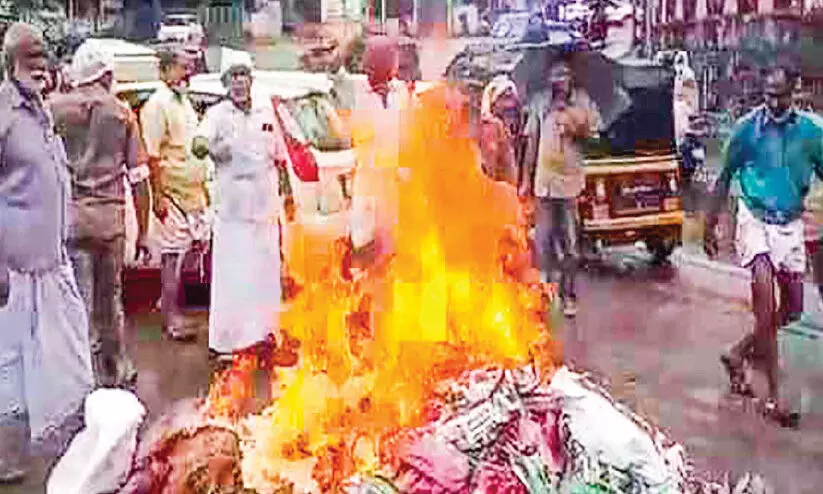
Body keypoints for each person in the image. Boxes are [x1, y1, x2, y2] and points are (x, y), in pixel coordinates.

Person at [0, 22, 94, 482]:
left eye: (44, 56)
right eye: (31, 57)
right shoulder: (2, 112)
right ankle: (7, 459)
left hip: (51, 260)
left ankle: (76, 441)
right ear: (11, 62)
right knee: (8, 366)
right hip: (13, 268)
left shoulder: (41, 109)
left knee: (72, 352)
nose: (41, 65)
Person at [705, 64, 823, 427]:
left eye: (781, 95)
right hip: (754, 221)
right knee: (766, 308)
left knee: (791, 310)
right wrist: (709, 226)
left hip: (789, 226)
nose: (774, 102)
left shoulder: (810, 132)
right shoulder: (746, 131)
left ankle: (737, 352)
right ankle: (774, 398)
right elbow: (723, 177)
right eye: (769, 95)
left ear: (795, 91)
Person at [50, 41, 151, 389]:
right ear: (107, 75)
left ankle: (83, 374)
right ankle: (117, 364)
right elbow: (139, 178)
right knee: (110, 298)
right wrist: (145, 232)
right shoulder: (122, 114)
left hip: (70, 220)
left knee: (77, 302)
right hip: (110, 220)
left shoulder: (53, 110)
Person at [192, 52, 296, 366]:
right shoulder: (217, 115)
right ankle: (227, 342)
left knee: (265, 275)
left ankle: (264, 336)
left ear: (251, 79)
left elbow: (280, 158)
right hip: (233, 210)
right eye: (232, 76)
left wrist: (288, 196)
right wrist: (212, 149)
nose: (238, 82)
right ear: (225, 83)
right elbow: (197, 144)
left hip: (264, 207)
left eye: (243, 75)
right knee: (233, 275)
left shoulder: (266, 111)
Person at [519, 57, 601, 318]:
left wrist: (573, 121)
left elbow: (594, 135)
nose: (560, 81)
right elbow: (531, 143)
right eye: (555, 76)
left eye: (564, 75)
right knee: (542, 243)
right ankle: (542, 294)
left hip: (569, 186)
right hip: (544, 183)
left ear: (571, 79)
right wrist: (525, 179)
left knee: (570, 246)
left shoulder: (582, 102)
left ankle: (569, 295)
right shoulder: (540, 103)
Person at [140, 48, 211, 342]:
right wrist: (156, 197)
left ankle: (168, 305)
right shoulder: (157, 105)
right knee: (171, 258)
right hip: (170, 195)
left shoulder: (184, 103)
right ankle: (170, 319)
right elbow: (152, 157)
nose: (188, 73)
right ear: (166, 70)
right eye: (183, 67)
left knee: (193, 252)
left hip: (193, 195)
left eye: (191, 67)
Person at [480, 75, 521, 185]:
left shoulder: (504, 127)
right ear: (495, 102)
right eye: (505, 98)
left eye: (512, 98)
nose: (510, 105)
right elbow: (489, 169)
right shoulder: (492, 126)